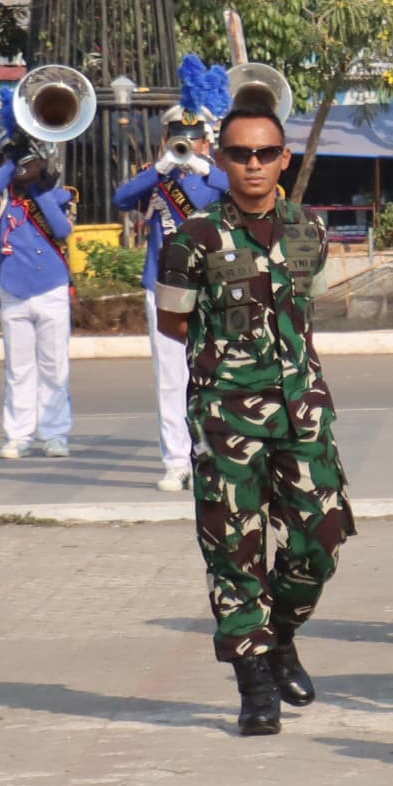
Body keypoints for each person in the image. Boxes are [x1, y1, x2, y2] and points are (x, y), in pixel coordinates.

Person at [156, 93, 353, 736]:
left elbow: (311, 308)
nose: (253, 165)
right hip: (227, 421)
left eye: (266, 153)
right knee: (234, 554)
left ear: (284, 158)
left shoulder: (309, 231)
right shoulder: (193, 238)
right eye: (239, 154)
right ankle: (254, 684)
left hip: (303, 415)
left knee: (319, 541)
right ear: (220, 158)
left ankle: (281, 634)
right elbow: (171, 319)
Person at [116, 63, 227, 492]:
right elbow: (121, 198)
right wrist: (159, 170)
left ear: (205, 140)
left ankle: (213, 453)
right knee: (170, 378)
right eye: (179, 138)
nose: (186, 144)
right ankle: (176, 460)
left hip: (211, 285)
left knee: (214, 373)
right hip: (163, 285)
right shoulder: (158, 177)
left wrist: (205, 169)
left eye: (194, 138)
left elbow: (241, 193)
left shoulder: (214, 179)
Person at [0, 138, 76, 461]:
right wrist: (12, 162)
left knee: (54, 367)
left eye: (27, 159)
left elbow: (62, 229)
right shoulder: (2, 198)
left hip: (51, 288)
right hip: (14, 289)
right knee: (18, 369)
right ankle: (18, 435)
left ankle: (55, 434)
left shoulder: (55, 194)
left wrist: (37, 183)